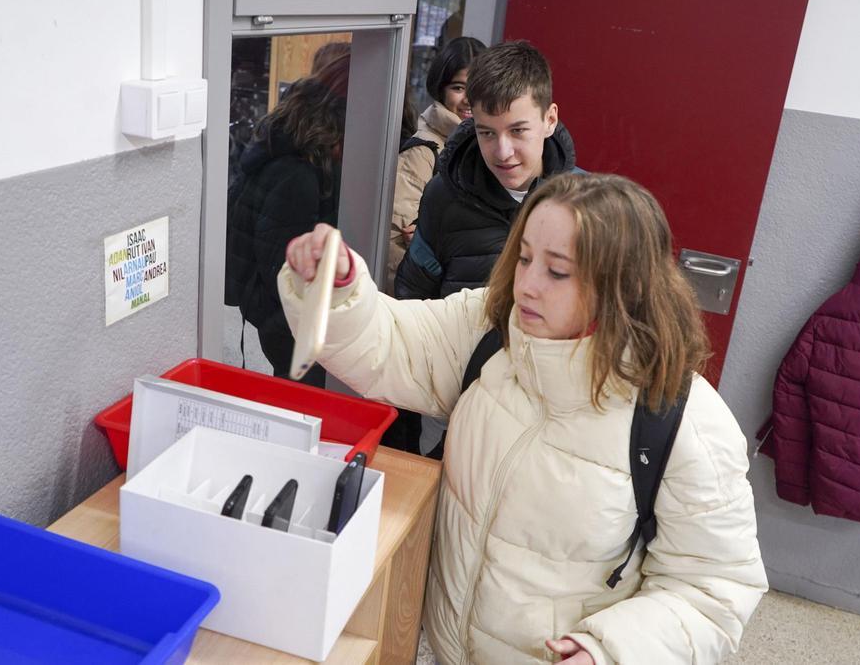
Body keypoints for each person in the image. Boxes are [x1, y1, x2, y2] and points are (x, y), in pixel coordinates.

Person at [280, 173, 767, 664]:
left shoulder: (686, 422)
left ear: (624, 286)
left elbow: (713, 589)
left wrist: (611, 652)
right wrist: (338, 287)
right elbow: (388, 343)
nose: (527, 285)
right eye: (526, 257)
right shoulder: (491, 331)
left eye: (558, 272)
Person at [394, 40, 577, 301]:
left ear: (550, 120)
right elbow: (411, 303)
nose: (503, 152)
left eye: (517, 131)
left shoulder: (586, 203)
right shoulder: (442, 196)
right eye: (487, 133)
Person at [225, 53, 350, 386]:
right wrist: (290, 326)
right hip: (286, 326)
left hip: (274, 318)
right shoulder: (298, 177)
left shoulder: (280, 154)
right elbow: (280, 270)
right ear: (332, 129)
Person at [387, 36, 486, 292]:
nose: (469, 99)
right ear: (440, 88)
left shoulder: (490, 147)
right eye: (459, 87)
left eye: (479, 87)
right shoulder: (424, 151)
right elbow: (395, 246)